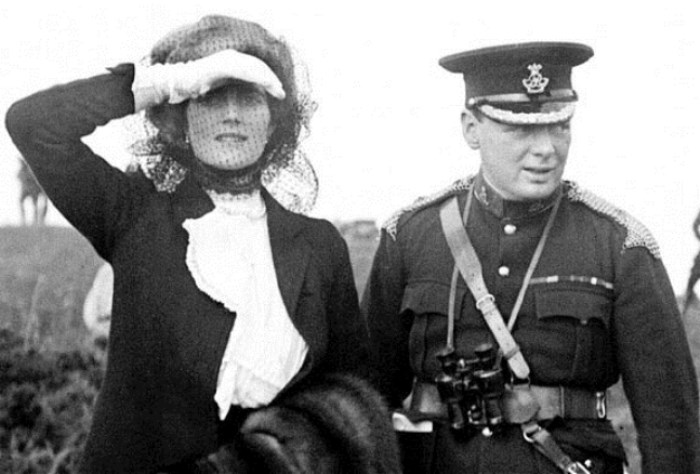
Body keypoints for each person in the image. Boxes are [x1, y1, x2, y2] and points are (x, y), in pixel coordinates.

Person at [6, 14, 399, 474]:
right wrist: (172, 80)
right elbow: (33, 124)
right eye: (211, 96)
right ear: (180, 121)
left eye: (249, 97)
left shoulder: (319, 245)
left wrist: (278, 454)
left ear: (275, 121)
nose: (231, 114)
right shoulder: (133, 216)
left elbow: (355, 390)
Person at [362, 41, 700, 473]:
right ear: (471, 128)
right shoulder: (410, 236)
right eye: (519, 130)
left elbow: (671, 425)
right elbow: (365, 400)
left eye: (559, 127)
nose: (546, 149)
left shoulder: (621, 245)